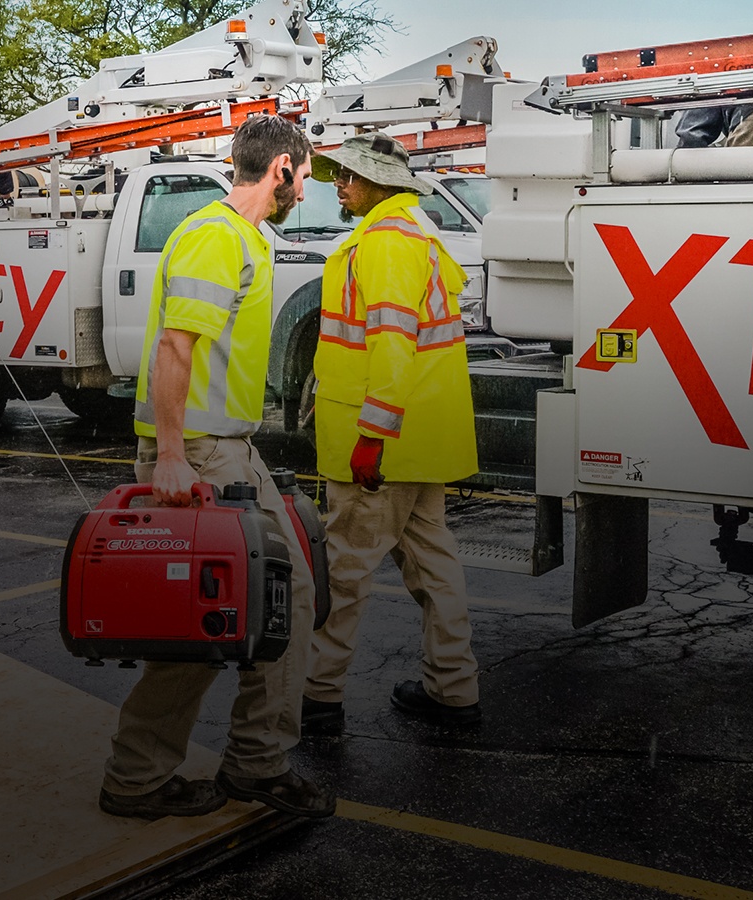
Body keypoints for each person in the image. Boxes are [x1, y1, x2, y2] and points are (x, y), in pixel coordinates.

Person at [99, 114, 336, 821]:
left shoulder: (241, 238)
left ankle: (154, 774)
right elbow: (175, 348)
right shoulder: (215, 237)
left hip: (225, 447)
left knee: (221, 613)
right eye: (308, 170)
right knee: (246, 608)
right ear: (283, 170)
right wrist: (171, 457)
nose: (312, 183)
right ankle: (234, 767)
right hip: (200, 454)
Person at [299, 133, 482, 735]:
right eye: (340, 175)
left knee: (345, 569)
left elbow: (392, 339)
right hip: (420, 438)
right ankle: (454, 690)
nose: (339, 185)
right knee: (434, 566)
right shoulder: (416, 231)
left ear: (385, 184)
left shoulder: (383, 241)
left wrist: (372, 433)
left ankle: (320, 699)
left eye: (351, 176)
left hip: (381, 441)